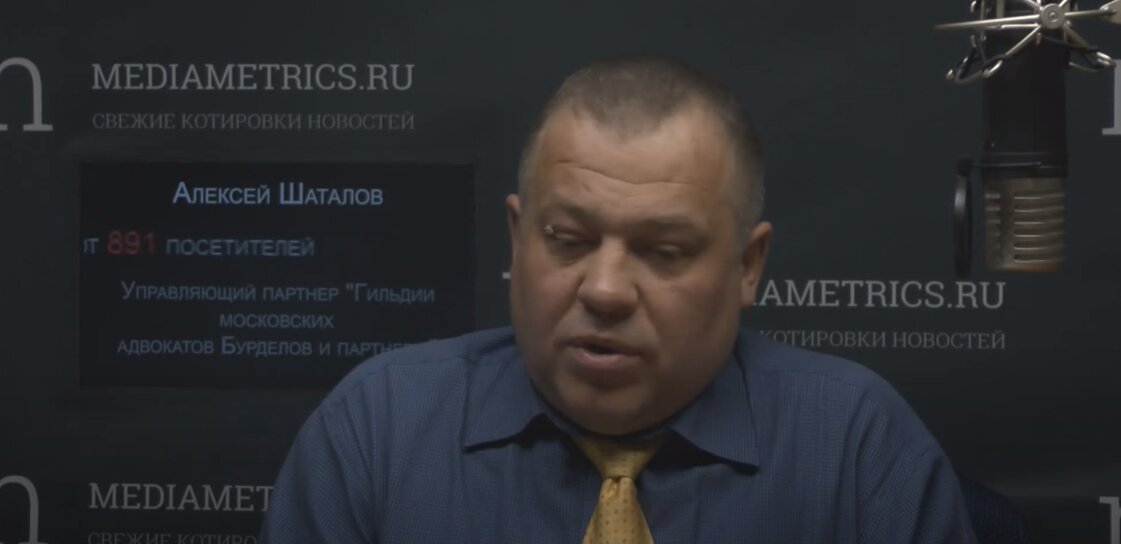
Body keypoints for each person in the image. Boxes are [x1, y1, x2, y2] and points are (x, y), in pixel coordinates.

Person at [260, 56, 977, 543]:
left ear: (746, 266)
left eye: (664, 251)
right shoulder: (378, 433)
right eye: (567, 240)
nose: (603, 291)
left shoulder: (856, 450)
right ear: (517, 238)